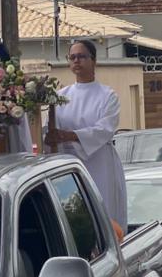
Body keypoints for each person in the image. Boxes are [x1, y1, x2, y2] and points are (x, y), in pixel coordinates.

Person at [45, 40, 127, 229]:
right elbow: (50, 131)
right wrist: (51, 137)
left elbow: (105, 129)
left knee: (103, 212)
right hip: (68, 164)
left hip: (100, 163)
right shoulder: (60, 97)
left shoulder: (107, 95)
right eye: (72, 57)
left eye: (81, 56)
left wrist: (70, 136)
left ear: (94, 60)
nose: (76, 61)